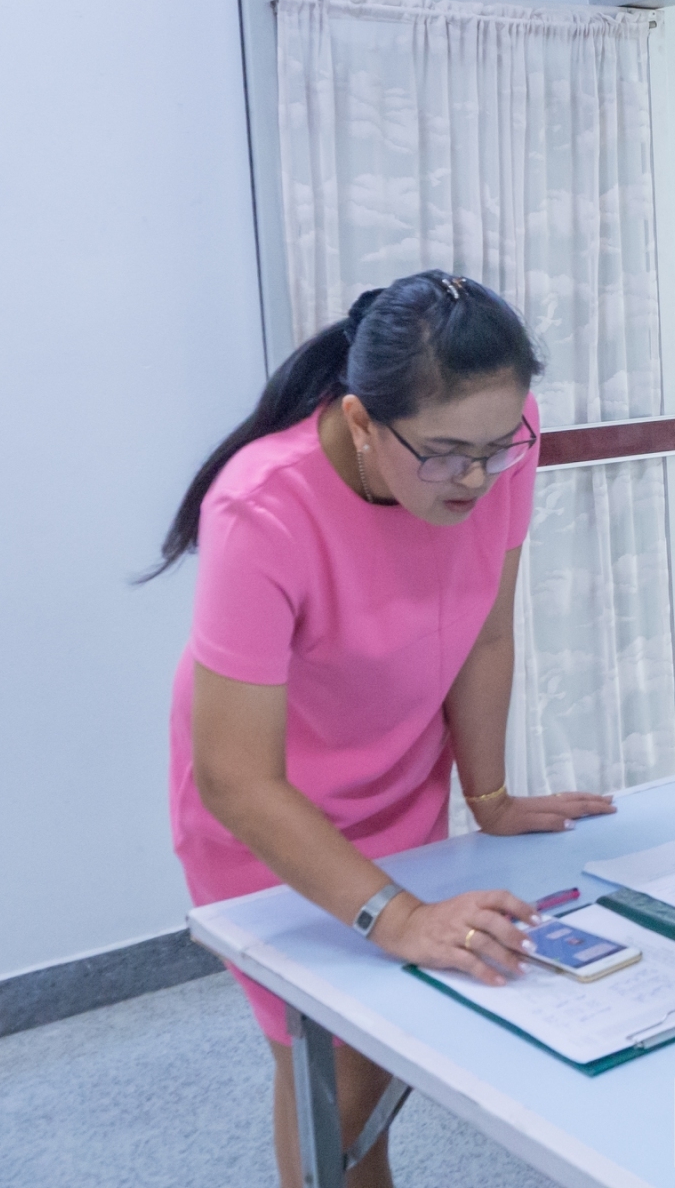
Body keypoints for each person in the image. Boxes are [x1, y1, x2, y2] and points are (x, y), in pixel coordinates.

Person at [147, 272, 615, 1188]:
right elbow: (236, 777)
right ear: (362, 421)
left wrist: (489, 796)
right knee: (336, 1074)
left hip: (400, 784)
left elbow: (485, 631)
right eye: (444, 455)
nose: (475, 478)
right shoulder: (261, 506)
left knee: (381, 1060)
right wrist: (395, 916)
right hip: (268, 815)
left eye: (496, 449)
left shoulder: (496, 441)